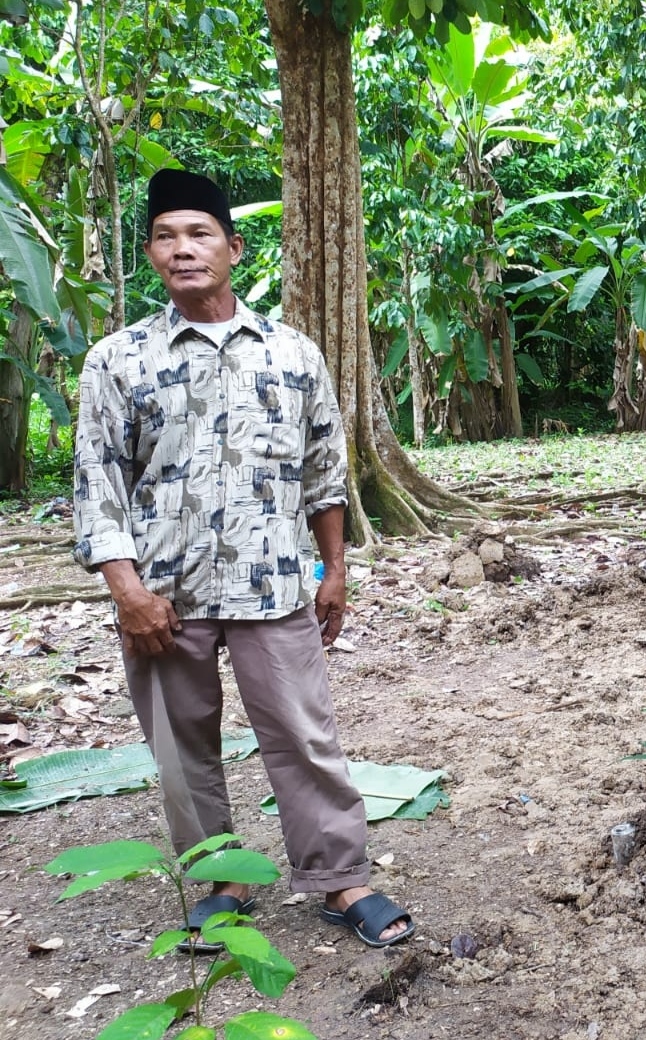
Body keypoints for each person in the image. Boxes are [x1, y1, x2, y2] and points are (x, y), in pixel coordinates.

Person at [71, 168, 413, 949]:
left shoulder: (292, 354)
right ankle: (221, 876)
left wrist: (336, 571)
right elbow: (97, 483)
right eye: (164, 236)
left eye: (198, 235)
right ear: (151, 252)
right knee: (180, 744)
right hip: (164, 596)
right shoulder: (117, 361)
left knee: (304, 733)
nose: (182, 251)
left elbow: (324, 472)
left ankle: (340, 878)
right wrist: (127, 591)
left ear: (233, 246)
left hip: (273, 584)